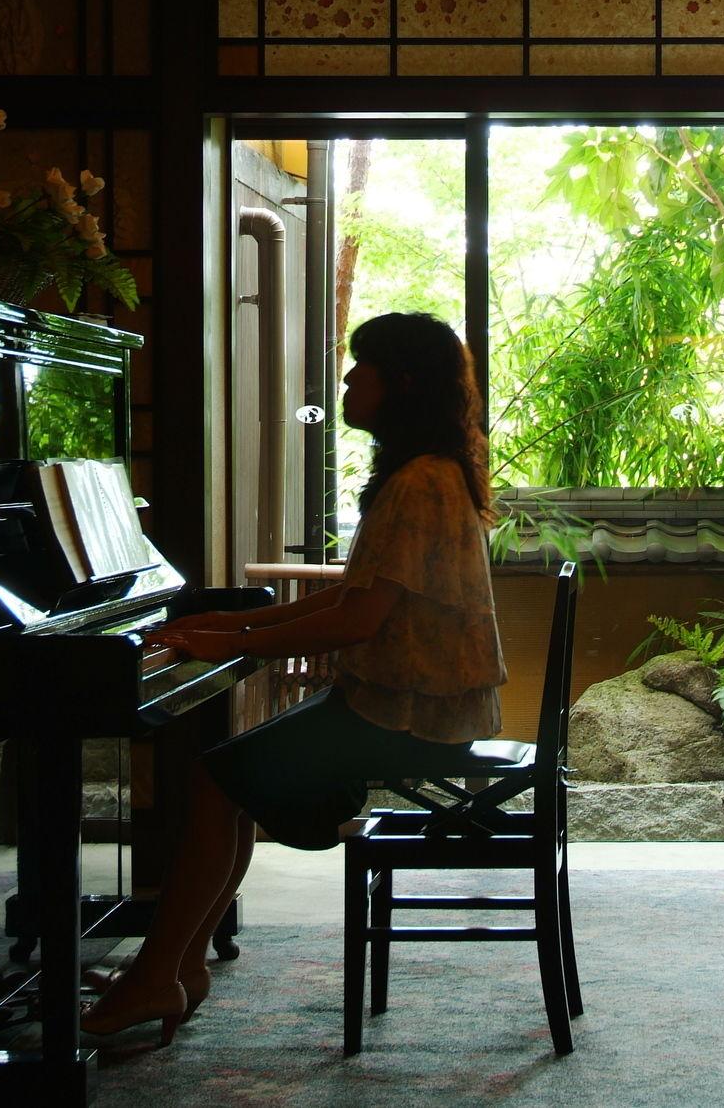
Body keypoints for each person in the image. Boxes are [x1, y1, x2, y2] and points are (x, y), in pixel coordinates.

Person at [81, 312, 504, 1044]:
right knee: (230, 780)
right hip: (399, 702)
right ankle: (176, 967)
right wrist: (231, 633)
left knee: (220, 781)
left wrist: (233, 637)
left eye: (359, 367)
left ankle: (164, 973)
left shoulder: (421, 483)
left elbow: (354, 622)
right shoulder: (424, 474)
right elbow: (348, 604)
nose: (346, 380)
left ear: (399, 384)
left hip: (411, 714)